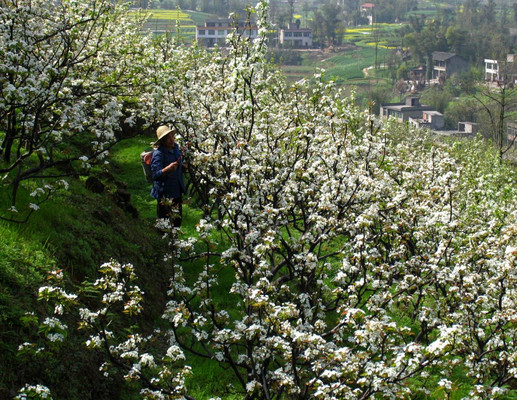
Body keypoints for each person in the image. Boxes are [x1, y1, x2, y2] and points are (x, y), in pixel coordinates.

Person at [150, 125, 186, 228]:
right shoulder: (158, 154)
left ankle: (175, 242)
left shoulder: (176, 149)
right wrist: (167, 169)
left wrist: (182, 167)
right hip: (165, 193)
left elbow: (178, 162)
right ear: (162, 141)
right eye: (168, 138)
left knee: (177, 220)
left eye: (172, 137)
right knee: (164, 222)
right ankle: (163, 242)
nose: (171, 140)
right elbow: (155, 175)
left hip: (176, 191)